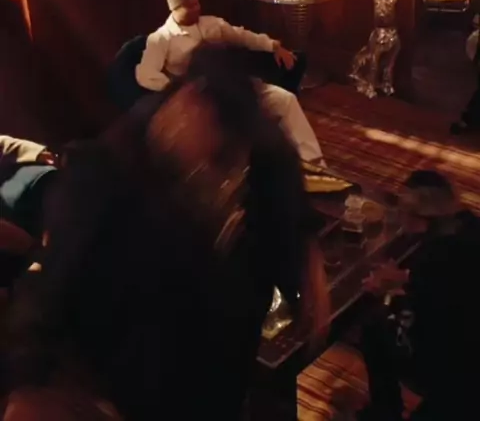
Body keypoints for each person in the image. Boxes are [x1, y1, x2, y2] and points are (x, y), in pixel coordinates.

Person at [5, 44, 330, 421]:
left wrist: (305, 255)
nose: (219, 171)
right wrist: (29, 382)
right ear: (187, 97)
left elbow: (285, 192)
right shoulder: (104, 171)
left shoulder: (254, 143)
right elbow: (51, 289)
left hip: (218, 364)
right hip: (127, 370)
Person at [135, 0, 325, 166]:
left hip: (235, 83)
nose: (197, 8)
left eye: (197, 3)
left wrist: (274, 46)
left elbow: (242, 36)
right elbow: (146, 74)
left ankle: (314, 163)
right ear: (174, 8)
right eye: (190, 5)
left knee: (286, 100)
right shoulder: (161, 39)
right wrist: (176, 88)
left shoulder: (212, 24)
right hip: (202, 100)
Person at [358, 170, 480, 420]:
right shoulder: (469, 226)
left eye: (403, 210)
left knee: (375, 326)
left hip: (458, 366)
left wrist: (385, 293)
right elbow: (451, 281)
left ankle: (385, 412)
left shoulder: (433, 258)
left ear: (419, 218)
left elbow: (425, 317)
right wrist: (407, 278)